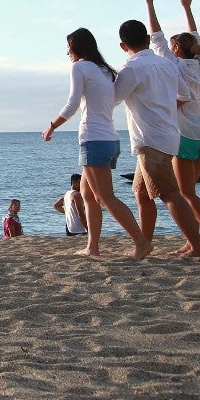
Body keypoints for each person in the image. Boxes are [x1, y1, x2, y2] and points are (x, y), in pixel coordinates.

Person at [43, 28, 152, 259]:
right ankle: (92, 247)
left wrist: (52, 125)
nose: (67, 53)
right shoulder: (104, 70)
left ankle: (141, 242)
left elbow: (72, 105)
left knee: (105, 197)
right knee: (88, 196)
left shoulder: (80, 67)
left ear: (77, 47)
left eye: (68, 47)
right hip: (110, 140)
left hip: (94, 139)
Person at [114, 5, 200, 257]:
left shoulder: (131, 69)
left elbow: (113, 99)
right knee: (141, 194)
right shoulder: (166, 65)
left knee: (170, 194)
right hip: (167, 135)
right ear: (146, 40)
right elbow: (185, 95)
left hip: (150, 139)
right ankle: (143, 244)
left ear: (123, 46)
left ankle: (197, 246)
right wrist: (161, 106)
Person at [146, 0, 200, 256]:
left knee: (185, 194)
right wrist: (187, 8)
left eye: (173, 45)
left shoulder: (175, 65)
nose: (168, 48)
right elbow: (196, 38)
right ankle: (192, 240)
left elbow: (155, 37)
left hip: (185, 137)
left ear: (177, 48)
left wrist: (149, 2)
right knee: (188, 192)